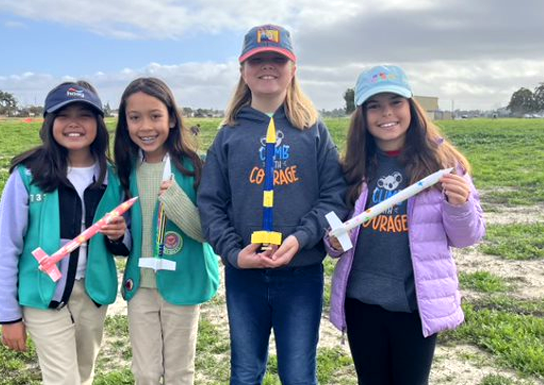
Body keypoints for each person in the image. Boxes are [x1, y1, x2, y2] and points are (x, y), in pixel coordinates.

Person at [197, 24, 347, 385]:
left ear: (293, 68)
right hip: (244, 276)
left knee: (298, 374)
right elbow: (210, 203)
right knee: (246, 372)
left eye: (277, 59)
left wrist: (301, 238)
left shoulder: (313, 130)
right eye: (257, 60)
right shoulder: (229, 134)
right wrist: (234, 253)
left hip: (301, 274)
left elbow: (333, 196)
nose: (267, 66)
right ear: (243, 70)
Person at [326, 65, 486, 385]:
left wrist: (460, 205)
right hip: (361, 303)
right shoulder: (352, 168)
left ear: (411, 106)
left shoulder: (443, 165)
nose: (387, 113)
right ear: (362, 114)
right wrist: (332, 242)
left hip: (415, 306)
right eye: (375, 105)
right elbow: (338, 234)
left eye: (396, 102)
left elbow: (468, 237)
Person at [0, 81, 129, 385]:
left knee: (83, 375)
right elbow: (5, 247)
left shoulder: (112, 176)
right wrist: (8, 315)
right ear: (49, 122)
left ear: (98, 123)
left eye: (85, 115)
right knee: (63, 380)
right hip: (43, 296)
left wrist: (119, 235)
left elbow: (126, 240)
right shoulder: (29, 175)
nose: (74, 124)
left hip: (93, 295)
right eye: (63, 115)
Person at [113, 77, 219, 385]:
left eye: (155, 116)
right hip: (141, 285)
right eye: (135, 118)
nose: (145, 126)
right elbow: (129, 230)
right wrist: (118, 235)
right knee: (144, 373)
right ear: (125, 123)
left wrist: (175, 200)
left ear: (172, 118)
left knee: (178, 372)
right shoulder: (125, 170)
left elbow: (206, 232)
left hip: (183, 282)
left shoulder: (196, 167)